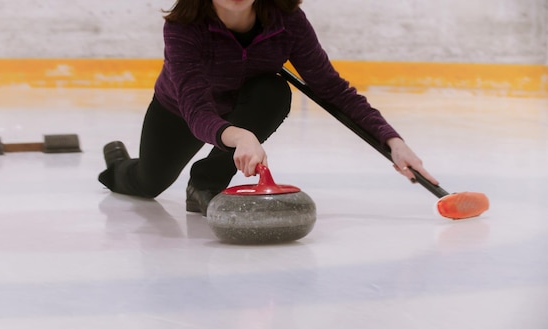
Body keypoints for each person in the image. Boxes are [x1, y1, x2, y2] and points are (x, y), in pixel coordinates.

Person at [98, 0, 439, 216]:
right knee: (148, 183)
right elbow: (195, 108)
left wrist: (393, 141)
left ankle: (205, 184)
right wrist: (239, 135)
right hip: (179, 111)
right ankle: (118, 164)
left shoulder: (286, 20)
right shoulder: (184, 26)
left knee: (274, 91)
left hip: (246, 104)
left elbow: (332, 88)